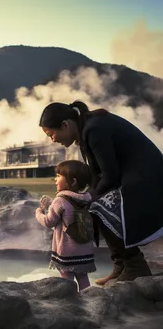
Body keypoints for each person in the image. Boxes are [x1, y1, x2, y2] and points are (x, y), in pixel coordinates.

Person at [39, 100, 163, 284]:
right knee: (91, 205)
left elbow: (110, 175)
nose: (53, 139)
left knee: (97, 207)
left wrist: (88, 198)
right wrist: (84, 197)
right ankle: (121, 265)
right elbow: (98, 175)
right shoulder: (88, 129)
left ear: (65, 125)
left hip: (148, 182)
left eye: (52, 134)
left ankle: (135, 265)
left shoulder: (94, 129)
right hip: (136, 178)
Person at [36, 160, 96, 291]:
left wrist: (39, 212)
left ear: (72, 181)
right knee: (83, 278)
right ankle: (88, 299)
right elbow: (69, 211)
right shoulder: (85, 199)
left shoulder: (60, 200)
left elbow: (49, 222)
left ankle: (71, 303)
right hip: (84, 249)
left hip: (67, 250)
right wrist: (52, 202)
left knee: (66, 277)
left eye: (58, 176)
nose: (55, 180)